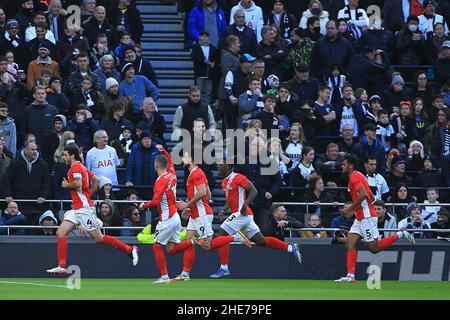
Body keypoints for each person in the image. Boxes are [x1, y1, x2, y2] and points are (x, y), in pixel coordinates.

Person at [46, 144, 139, 274]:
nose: (64, 157)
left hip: (84, 210)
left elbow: (77, 183)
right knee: (60, 233)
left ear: (72, 155)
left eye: (65, 154)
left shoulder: (75, 168)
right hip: (77, 209)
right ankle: (61, 266)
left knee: (99, 238)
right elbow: (96, 180)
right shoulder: (81, 167)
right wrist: (87, 194)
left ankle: (130, 250)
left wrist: (68, 185)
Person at [209, 160, 302, 278]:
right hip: (244, 215)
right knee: (261, 241)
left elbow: (254, 190)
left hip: (241, 214)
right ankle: (290, 247)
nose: (218, 167)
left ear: (228, 166)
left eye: (220, 165)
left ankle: (224, 267)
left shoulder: (238, 177)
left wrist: (245, 204)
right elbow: (230, 199)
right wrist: (223, 209)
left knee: (220, 237)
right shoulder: (224, 182)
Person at [335, 154, 415, 283]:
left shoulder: (355, 176)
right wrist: (363, 208)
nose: (341, 166)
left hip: (366, 217)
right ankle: (350, 276)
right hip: (361, 217)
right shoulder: (359, 175)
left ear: (350, 165)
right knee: (350, 244)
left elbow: (362, 195)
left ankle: (401, 233)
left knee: (374, 248)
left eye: (344, 164)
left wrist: (349, 210)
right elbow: (371, 196)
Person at [174, 149, 248, 281]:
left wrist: (186, 205)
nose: (182, 158)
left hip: (201, 214)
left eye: (185, 156)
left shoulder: (196, 173)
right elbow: (208, 195)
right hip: (196, 213)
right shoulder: (195, 173)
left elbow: (202, 192)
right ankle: (185, 273)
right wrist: (192, 208)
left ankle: (235, 237)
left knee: (207, 246)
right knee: (188, 241)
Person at [138, 146, 199, 284]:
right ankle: (191, 242)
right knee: (171, 249)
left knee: (157, 245)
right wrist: (164, 150)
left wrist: (143, 206)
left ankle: (164, 276)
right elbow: (170, 161)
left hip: (166, 218)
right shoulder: (172, 174)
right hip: (175, 218)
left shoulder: (160, 181)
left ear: (156, 165)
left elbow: (155, 201)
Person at [191, 31, 219, 106]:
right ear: (199, 37)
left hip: (209, 73)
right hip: (200, 73)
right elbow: (193, 57)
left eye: (206, 36)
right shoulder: (196, 47)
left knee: (208, 92)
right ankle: (199, 106)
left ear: (208, 38)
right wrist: (203, 60)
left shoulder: (212, 47)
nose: (204, 38)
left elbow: (216, 58)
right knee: (199, 91)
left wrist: (214, 63)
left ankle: (207, 107)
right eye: (202, 36)